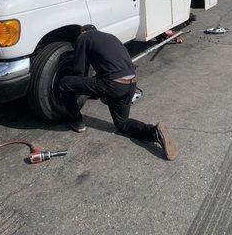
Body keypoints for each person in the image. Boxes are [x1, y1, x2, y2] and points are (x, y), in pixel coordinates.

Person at [60, 25, 178, 161]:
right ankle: (153, 132)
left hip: (113, 84)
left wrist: (77, 85)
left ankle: (77, 122)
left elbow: (79, 71)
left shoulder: (84, 37)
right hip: (131, 82)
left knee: (65, 83)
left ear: (84, 31)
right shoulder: (112, 37)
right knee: (122, 123)